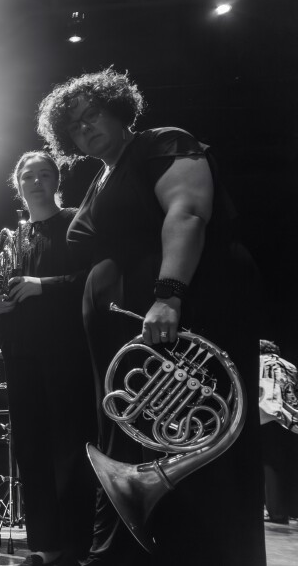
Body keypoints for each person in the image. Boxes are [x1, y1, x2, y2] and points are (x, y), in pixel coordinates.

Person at [37, 68, 265, 566]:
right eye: (74, 126)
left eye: (93, 114)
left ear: (119, 109)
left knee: (195, 444)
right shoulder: (103, 174)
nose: (86, 128)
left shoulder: (162, 142)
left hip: (185, 313)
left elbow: (186, 213)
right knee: (142, 443)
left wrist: (167, 295)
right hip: (136, 336)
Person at [0, 152, 97, 566]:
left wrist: (43, 285)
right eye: (28, 176)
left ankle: (78, 546)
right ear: (18, 184)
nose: (36, 181)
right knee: (30, 450)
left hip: (67, 353)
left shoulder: (75, 221)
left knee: (70, 448)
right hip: (20, 353)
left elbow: (96, 278)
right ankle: (47, 547)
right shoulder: (13, 236)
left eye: (44, 174)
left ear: (56, 180)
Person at [258, 339, 298, 524]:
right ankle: (289, 509)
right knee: (286, 463)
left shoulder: (260, 362)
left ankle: (276, 512)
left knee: (269, 463)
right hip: (291, 420)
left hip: (267, 417)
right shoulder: (289, 365)